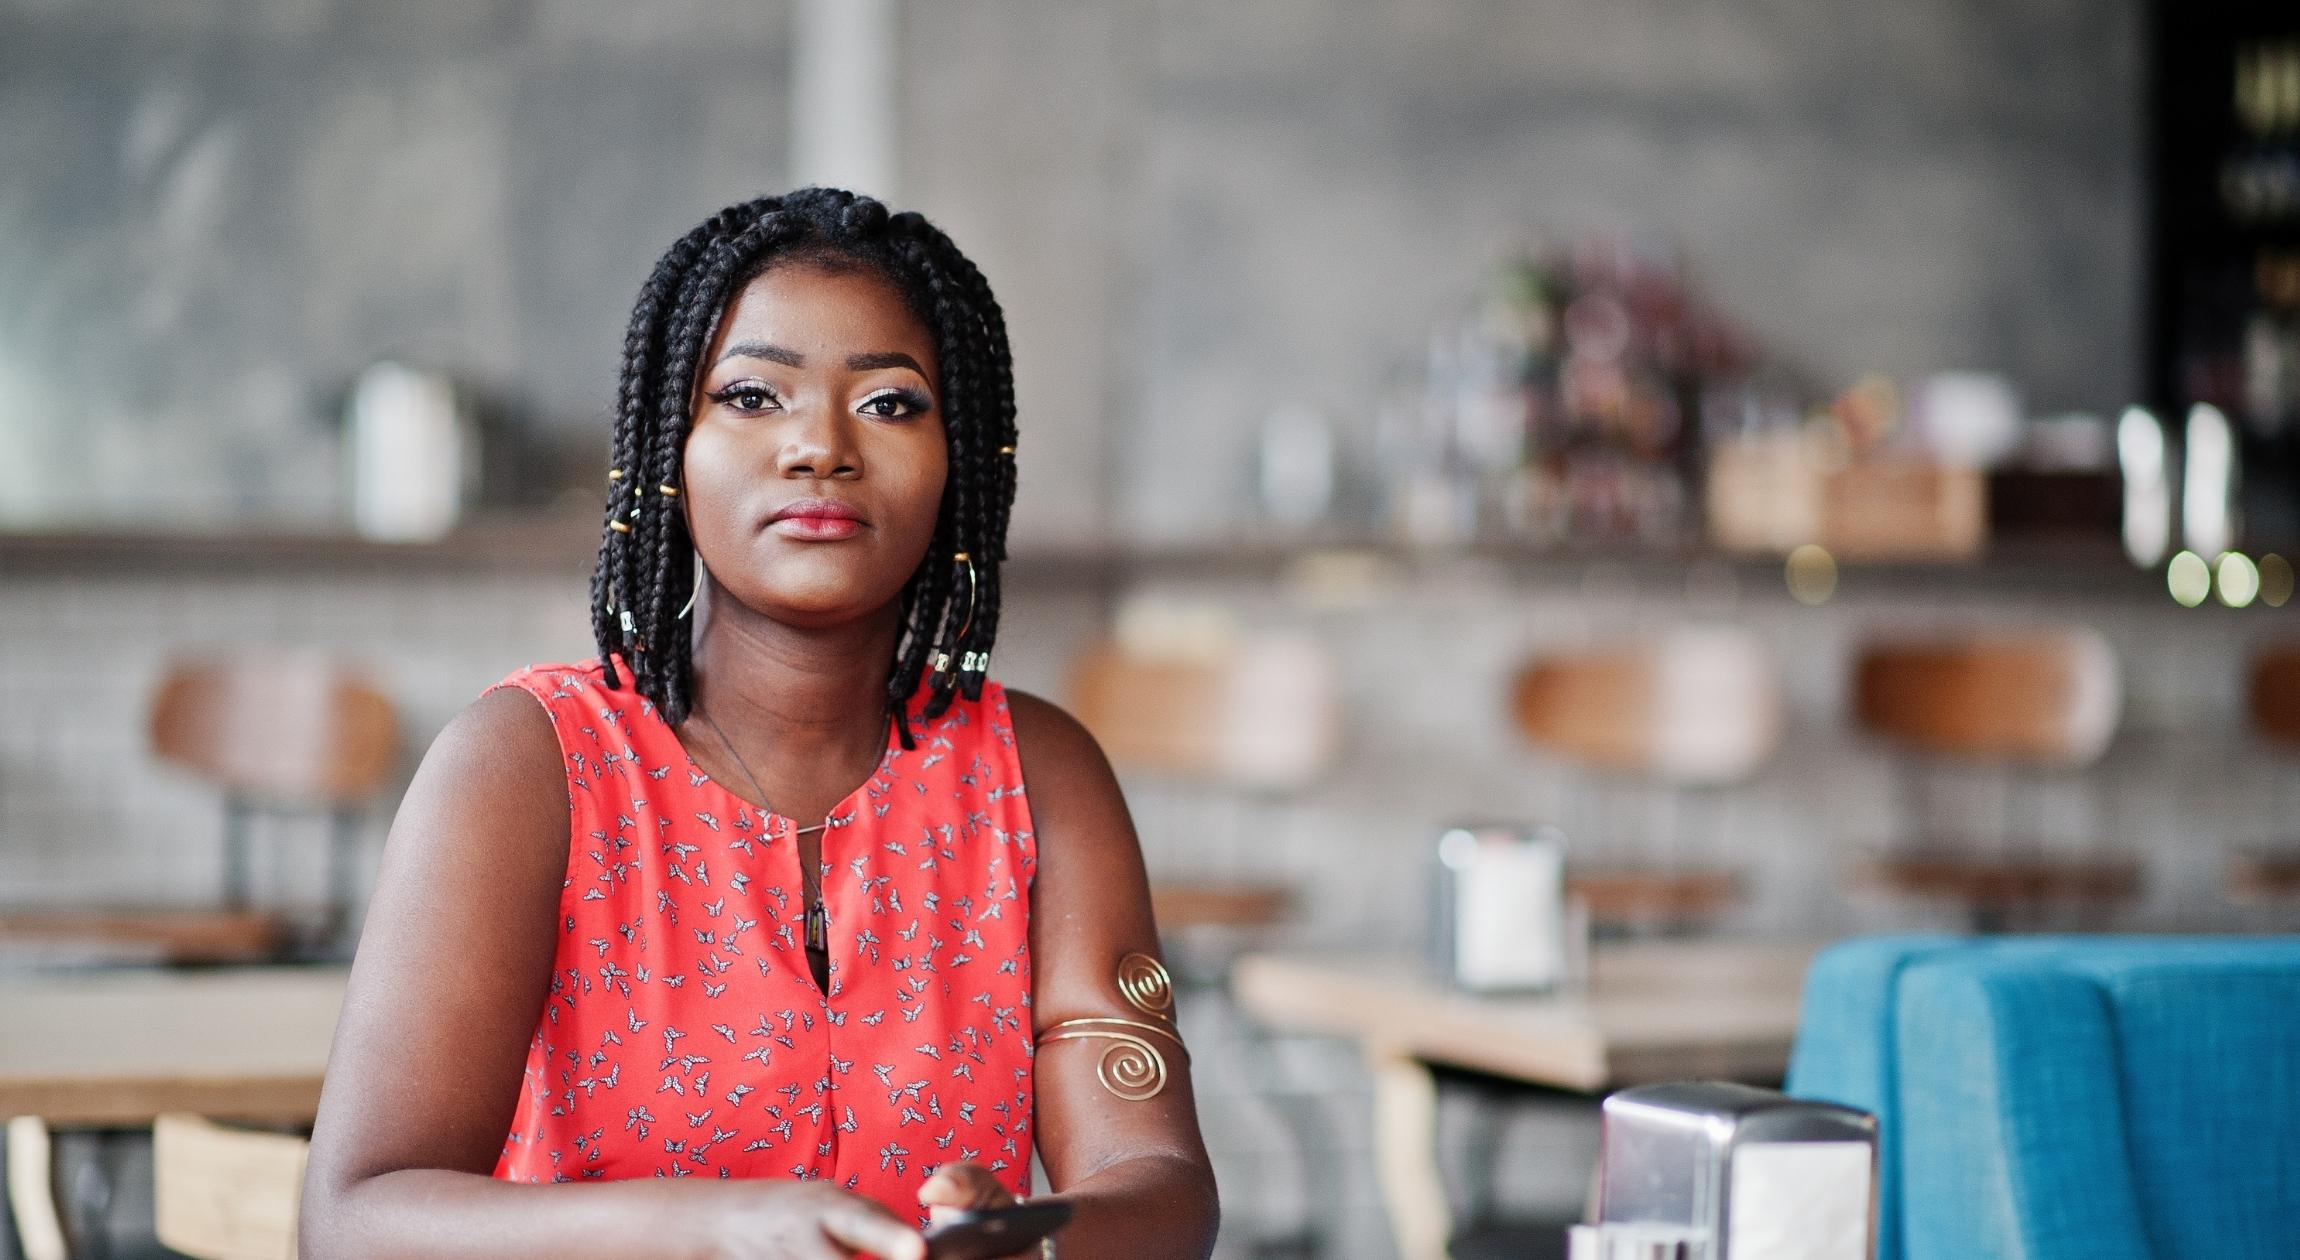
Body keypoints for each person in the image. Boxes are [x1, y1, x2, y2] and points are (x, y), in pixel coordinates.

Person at [300, 188, 1219, 1260]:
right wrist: (718, 1223)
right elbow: (355, 1220)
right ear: (666, 453)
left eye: (889, 404)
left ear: (959, 459)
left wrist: (1030, 1235)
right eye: (751, 397)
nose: (819, 448)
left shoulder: (1041, 776)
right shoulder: (525, 767)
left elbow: (1158, 1184)